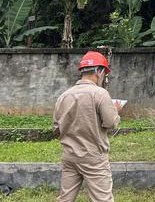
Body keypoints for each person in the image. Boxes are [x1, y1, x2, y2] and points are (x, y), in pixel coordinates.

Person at [53, 51, 122, 202]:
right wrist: (115, 111)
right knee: (102, 199)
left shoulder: (64, 96)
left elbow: (56, 127)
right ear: (99, 71)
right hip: (93, 157)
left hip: (70, 156)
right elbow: (111, 123)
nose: (104, 77)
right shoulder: (100, 94)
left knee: (65, 198)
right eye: (104, 74)